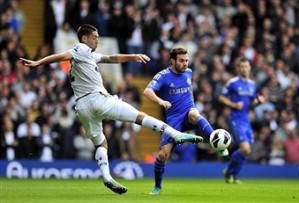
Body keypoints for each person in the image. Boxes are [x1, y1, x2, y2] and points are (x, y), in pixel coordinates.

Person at [20, 24, 203, 194]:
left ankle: (107, 177)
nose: (97, 40)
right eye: (94, 37)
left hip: (82, 107)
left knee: (101, 143)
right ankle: (177, 135)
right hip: (98, 100)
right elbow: (62, 55)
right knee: (139, 116)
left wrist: (132, 57)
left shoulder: (88, 56)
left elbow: (110, 58)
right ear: (84, 38)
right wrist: (38, 63)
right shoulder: (80, 49)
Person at [144, 47, 225, 195]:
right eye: (181, 61)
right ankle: (157, 186)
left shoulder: (189, 72)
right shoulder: (163, 76)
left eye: (187, 60)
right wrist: (160, 101)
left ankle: (216, 141)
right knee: (163, 155)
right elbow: (147, 91)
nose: (185, 63)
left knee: (195, 113)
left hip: (188, 113)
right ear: (172, 61)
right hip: (173, 120)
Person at [219, 57, 265, 183]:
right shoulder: (232, 82)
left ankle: (232, 176)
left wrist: (258, 102)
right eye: (242, 66)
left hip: (246, 120)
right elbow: (221, 98)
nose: (244, 68)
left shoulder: (252, 85)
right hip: (235, 119)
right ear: (238, 68)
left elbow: (252, 102)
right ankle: (228, 170)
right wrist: (233, 105)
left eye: (246, 66)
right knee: (245, 149)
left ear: (250, 68)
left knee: (246, 151)